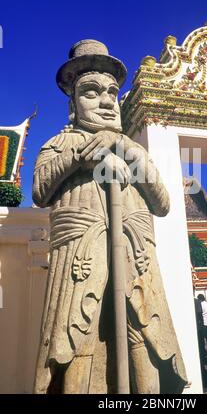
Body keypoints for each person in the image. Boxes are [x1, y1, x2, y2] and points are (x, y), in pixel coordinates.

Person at [33, 39, 187, 394]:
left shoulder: (133, 149)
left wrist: (125, 149)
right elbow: (40, 192)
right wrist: (79, 158)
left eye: (112, 93)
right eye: (91, 91)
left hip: (135, 254)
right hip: (80, 255)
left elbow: (162, 203)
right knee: (77, 335)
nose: (106, 101)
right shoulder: (60, 144)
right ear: (72, 103)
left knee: (144, 335)